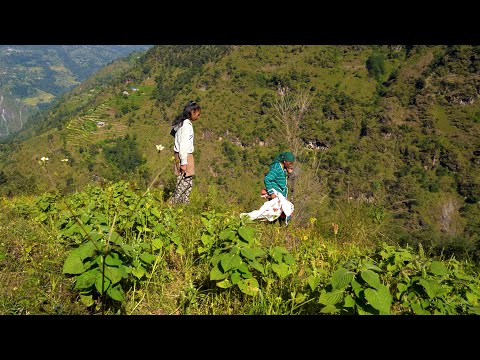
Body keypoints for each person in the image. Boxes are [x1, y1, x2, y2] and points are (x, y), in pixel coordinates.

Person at [170, 100, 201, 204]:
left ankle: (179, 203)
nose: (198, 116)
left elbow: (175, 135)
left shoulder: (180, 124)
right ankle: (179, 203)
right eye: (198, 114)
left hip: (178, 155)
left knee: (181, 181)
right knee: (185, 183)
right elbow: (183, 144)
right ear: (192, 112)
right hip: (185, 156)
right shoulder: (186, 126)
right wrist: (184, 162)